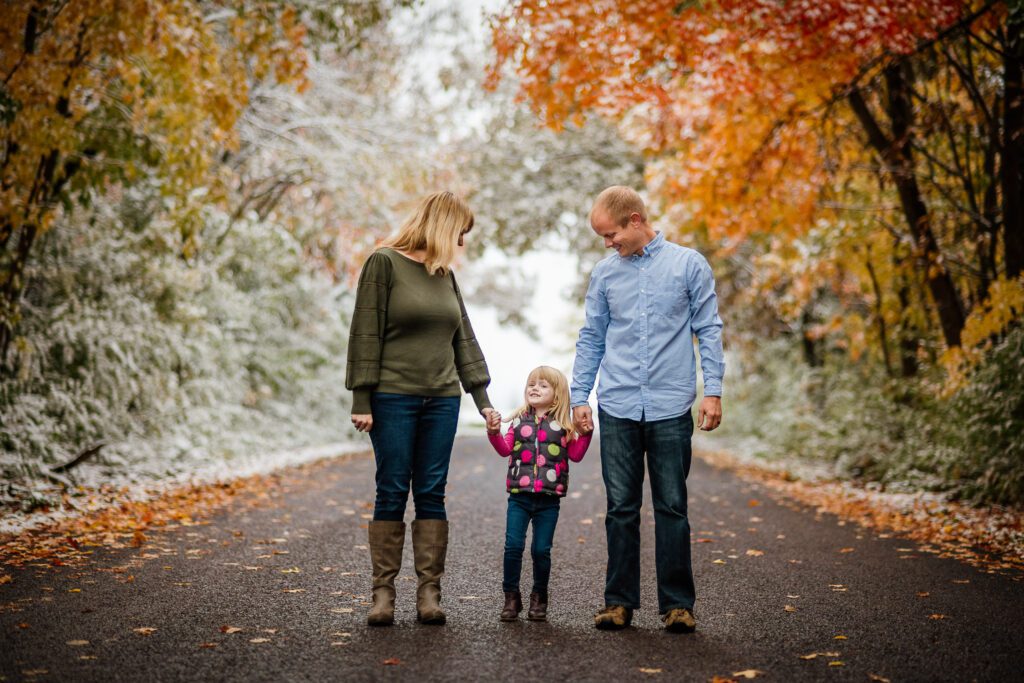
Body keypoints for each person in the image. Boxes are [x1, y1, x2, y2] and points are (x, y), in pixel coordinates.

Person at [570, 186, 724, 633]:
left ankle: (678, 605)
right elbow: (591, 337)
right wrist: (580, 396)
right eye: (603, 237)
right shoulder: (604, 274)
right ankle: (618, 602)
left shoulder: (688, 265)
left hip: (670, 404)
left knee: (672, 506)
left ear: (635, 220)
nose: (608, 243)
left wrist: (711, 390)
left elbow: (708, 330)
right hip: (617, 403)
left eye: (611, 233)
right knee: (620, 507)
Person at [345, 191, 498, 627]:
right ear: (443, 227)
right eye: (461, 234)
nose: (463, 245)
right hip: (392, 397)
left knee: (432, 491)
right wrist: (362, 397)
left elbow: (463, 340)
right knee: (392, 489)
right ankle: (383, 594)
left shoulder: (444, 274)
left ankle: (429, 593)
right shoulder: (384, 263)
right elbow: (365, 331)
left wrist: (482, 400)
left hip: (442, 399)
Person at [485, 366, 592, 622]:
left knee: (541, 550)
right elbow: (504, 450)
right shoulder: (519, 421)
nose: (535, 388)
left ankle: (539, 597)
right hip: (519, 497)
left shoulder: (564, 426)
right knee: (513, 546)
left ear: (557, 395)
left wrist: (586, 434)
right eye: (532, 384)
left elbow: (576, 455)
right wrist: (492, 432)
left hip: (548, 500)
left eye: (543, 385)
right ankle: (511, 597)